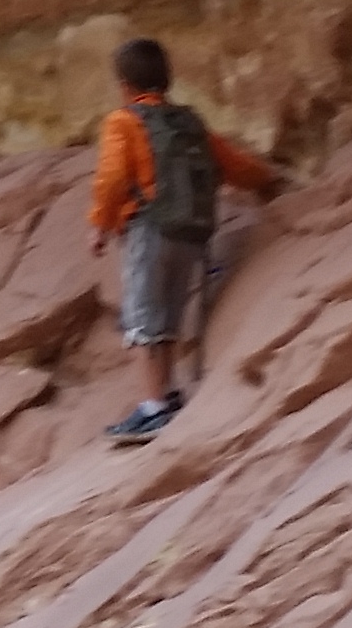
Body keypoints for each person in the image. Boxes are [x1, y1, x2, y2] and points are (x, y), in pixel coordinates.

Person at [85, 37, 273, 442]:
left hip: (149, 227)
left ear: (124, 86)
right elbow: (231, 163)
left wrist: (100, 224)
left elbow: (114, 178)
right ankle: (166, 394)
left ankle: (153, 406)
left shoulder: (123, 121)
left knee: (141, 317)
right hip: (192, 231)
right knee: (167, 314)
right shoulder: (188, 122)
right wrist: (267, 179)